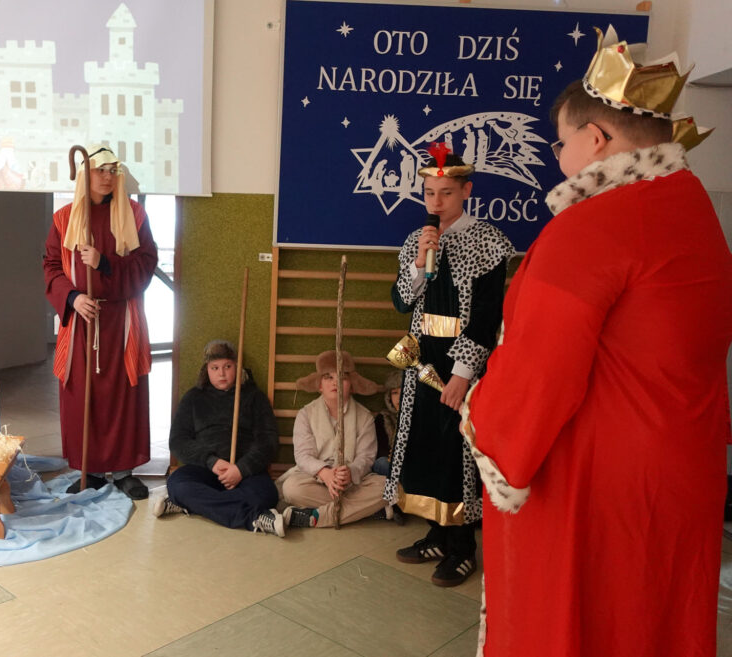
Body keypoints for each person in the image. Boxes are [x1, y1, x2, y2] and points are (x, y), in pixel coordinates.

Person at [463, 27, 732, 657]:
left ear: (597, 139)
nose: (559, 157)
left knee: (577, 622)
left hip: (598, 484)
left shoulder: (592, 226)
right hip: (681, 471)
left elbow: (538, 373)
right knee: (656, 622)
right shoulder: (694, 210)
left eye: (561, 143)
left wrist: (483, 423)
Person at [384, 146, 514, 587]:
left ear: (466, 192)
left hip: (460, 362)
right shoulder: (415, 240)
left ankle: (462, 547)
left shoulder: (487, 242)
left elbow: (487, 316)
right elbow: (402, 302)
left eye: (446, 193)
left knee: (455, 449)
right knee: (422, 446)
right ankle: (436, 534)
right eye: (429, 193)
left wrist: (462, 375)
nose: (436, 202)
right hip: (422, 358)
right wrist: (419, 263)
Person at [43, 144, 157, 499]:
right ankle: (89, 469)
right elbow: (51, 266)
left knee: (123, 396)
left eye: (112, 171)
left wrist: (104, 263)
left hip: (122, 320)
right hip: (82, 322)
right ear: (85, 174)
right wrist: (73, 298)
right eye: (100, 170)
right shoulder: (64, 218)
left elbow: (146, 263)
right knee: (82, 396)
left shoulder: (134, 215)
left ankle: (123, 472)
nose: (107, 177)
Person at [152, 340, 284, 537]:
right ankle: (253, 518)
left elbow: (268, 441)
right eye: (215, 368)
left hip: (245, 471)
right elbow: (178, 441)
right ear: (206, 370)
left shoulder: (255, 397)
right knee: (178, 484)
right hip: (204, 469)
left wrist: (241, 469)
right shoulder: (193, 398)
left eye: (227, 366)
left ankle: (189, 504)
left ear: (237, 367)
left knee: (267, 494)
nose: (221, 373)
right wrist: (211, 461)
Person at [279, 350, 388, 528]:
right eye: (328, 377)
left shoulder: (365, 417)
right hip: (316, 480)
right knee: (291, 489)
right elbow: (303, 456)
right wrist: (325, 473)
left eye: (342, 377)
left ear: (352, 385)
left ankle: (316, 517)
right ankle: (365, 510)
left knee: (388, 488)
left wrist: (350, 473)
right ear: (320, 385)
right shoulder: (306, 414)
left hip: (353, 483)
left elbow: (366, 457)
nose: (335, 382)